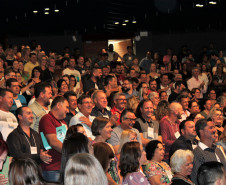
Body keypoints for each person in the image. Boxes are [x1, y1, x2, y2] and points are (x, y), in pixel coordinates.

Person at [39, 96, 69, 183]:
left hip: (63, 166)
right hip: (52, 168)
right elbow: (53, 142)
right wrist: (71, 152)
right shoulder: (47, 118)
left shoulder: (63, 122)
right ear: (59, 105)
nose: (67, 110)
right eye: (66, 107)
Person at [191, 119, 226, 185]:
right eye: (211, 128)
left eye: (214, 127)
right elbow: (197, 180)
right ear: (201, 132)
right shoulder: (197, 153)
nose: (215, 130)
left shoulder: (218, 149)